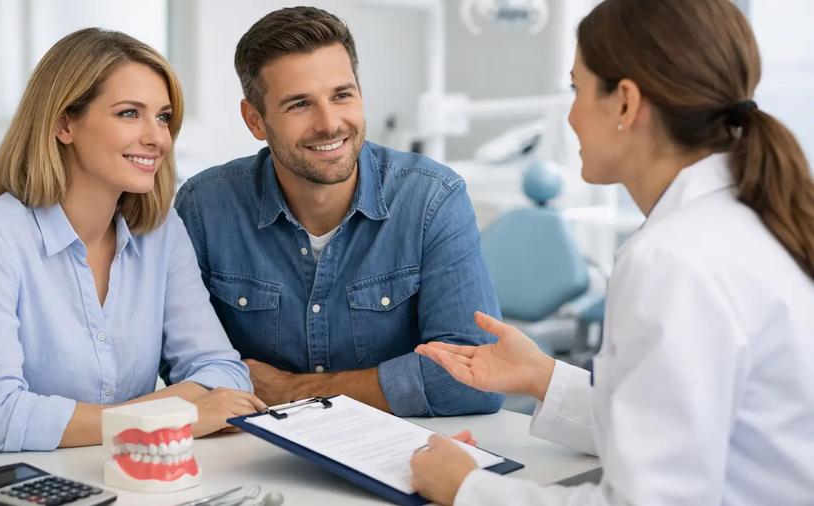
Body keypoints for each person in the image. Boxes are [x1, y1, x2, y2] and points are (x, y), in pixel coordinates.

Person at [408, 0, 814, 504]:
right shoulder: (748, 219)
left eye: (576, 89)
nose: (571, 116)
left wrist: (466, 487)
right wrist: (542, 377)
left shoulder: (674, 259)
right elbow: (680, 431)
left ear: (624, 103)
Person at [0, 28, 265, 463]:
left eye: (162, 117)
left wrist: (150, 417)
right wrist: (176, 416)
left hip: (104, 475)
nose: (158, 138)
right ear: (64, 124)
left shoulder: (160, 233)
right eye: (129, 113)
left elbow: (225, 373)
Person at [173, 6, 503, 416]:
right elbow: (185, 370)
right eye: (299, 104)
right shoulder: (204, 207)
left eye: (342, 95)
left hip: (406, 447)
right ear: (255, 120)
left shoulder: (432, 199)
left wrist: (292, 390)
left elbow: (477, 379)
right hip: (250, 448)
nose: (329, 123)